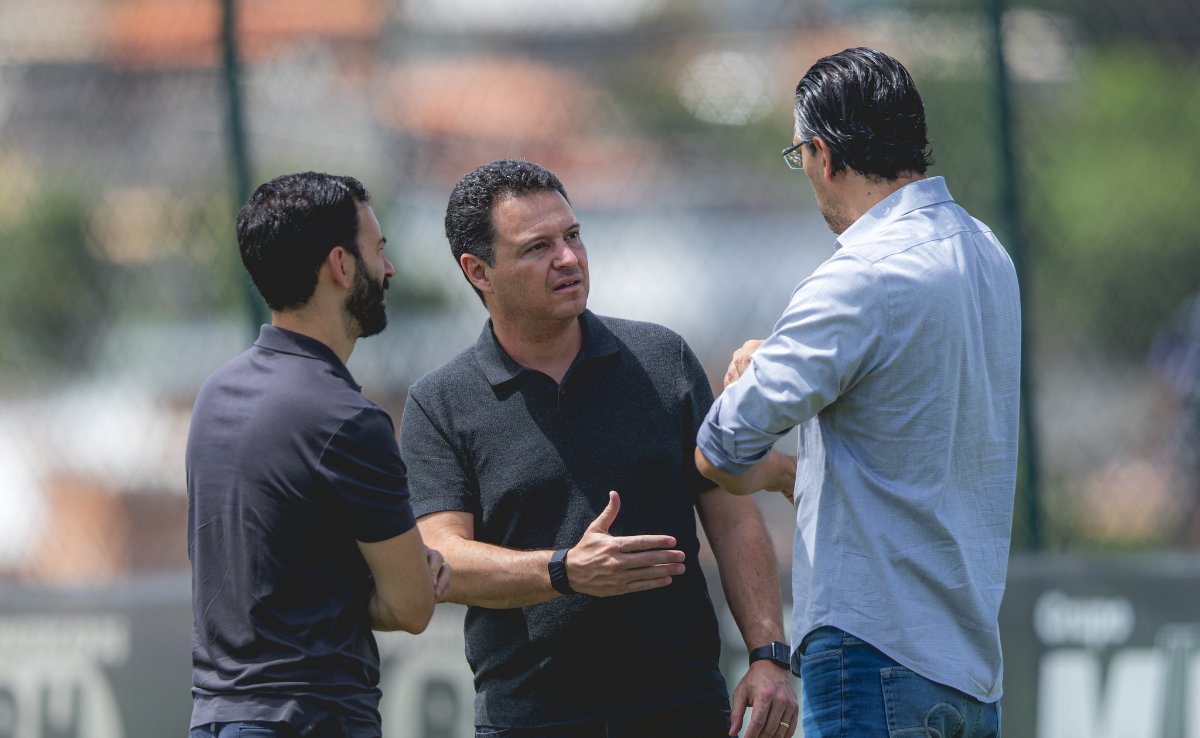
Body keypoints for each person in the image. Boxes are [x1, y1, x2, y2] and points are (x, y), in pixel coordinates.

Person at [399, 159, 798, 738]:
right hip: (529, 720)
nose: (568, 258)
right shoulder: (441, 403)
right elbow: (443, 557)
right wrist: (565, 571)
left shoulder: (664, 360)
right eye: (537, 247)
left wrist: (767, 654)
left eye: (573, 236)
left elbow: (732, 516)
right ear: (478, 270)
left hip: (683, 710)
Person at [695, 48, 1021, 738]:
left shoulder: (859, 275)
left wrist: (750, 378)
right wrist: (792, 476)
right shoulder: (988, 252)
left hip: (875, 655)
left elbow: (722, 445)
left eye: (799, 155)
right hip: (968, 664)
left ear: (822, 154)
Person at [186, 171, 451, 738]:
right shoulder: (348, 420)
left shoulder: (215, 395)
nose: (390, 268)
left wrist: (334, 588)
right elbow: (411, 606)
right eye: (378, 249)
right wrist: (404, 572)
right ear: (341, 264)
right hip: (312, 718)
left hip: (214, 718)